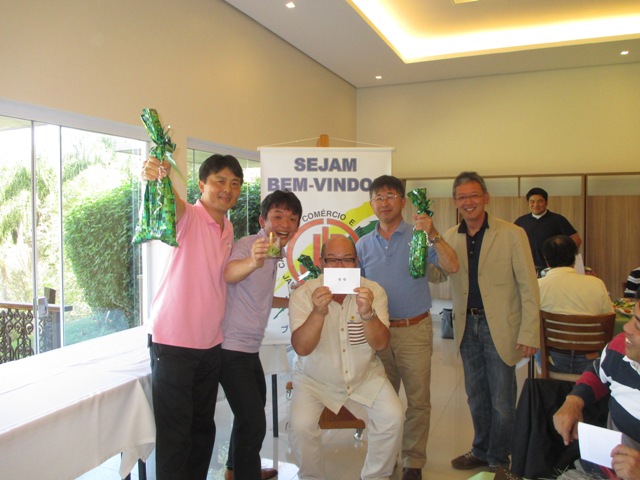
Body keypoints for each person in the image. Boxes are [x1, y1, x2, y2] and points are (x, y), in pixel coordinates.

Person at [143, 153, 243, 480]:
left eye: (235, 183)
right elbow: (173, 203)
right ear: (201, 185)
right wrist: (160, 177)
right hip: (173, 343)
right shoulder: (190, 216)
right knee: (175, 436)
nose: (227, 189)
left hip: (210, 344)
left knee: (202, 430)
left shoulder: (227, 227)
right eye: (219, 181)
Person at [355, 175, 459, 480]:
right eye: (378, 197)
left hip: (414, 329)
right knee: (380, 401)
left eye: (390, 196)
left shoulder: (419, 236)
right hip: (378, 332)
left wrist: (434, 234)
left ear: (403, 201)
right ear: (371, 204)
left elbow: (452, 267)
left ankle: (413, 461)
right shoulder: (363, 244)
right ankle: (384, 459)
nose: (384, 202)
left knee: (418, 401)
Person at [444, 171, 539, 473]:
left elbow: (529, 286)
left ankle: (499, 460)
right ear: (455, 202)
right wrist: (426, 240)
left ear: (485, 197)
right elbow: (434, 275)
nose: (468, 202)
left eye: (474, 195)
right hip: (466, 326)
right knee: (475, 395)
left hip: (501, 326)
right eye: (462, 197)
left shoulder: (512, 234)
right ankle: (480, 449)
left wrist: (530, 332)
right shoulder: (449, 237)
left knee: (501, 399)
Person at [288, 235, 404, 480]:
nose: (340, 266)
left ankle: (376, 476)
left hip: (364, 375)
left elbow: (381, 344)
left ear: (356, 262)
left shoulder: (373, 291)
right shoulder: (304, 295)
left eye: (347, 260)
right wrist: (318, 313)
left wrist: (368, 314)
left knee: (393, 417)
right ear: (322, 263)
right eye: (332, 260)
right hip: (314, 379)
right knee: (300, 426)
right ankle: (311, 477)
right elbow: (302, 348)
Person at [220, 190, 302, 480]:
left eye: (292, 219)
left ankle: (235, 470)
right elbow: (229, 273)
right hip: (230, 347)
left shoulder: (274, 252)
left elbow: (260, 296)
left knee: (251, 411)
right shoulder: (250, 245)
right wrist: (252, 261)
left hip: (249, 347)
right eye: (277, 216)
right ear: (262, 220)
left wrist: (295, 300)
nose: (285, 224)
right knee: (253, 420)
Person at [553, 294, 640, 480]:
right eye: (633, 317)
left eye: (638, 325)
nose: (627, 327)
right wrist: (574, 400)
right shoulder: (620, 348)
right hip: (595, 472)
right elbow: (599, 371)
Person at [539, 235, 614, 374]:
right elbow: (609, 318)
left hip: (552, 360)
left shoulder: (537, 286)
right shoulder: (596, 283)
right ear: (575, 258)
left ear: (546, 259)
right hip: (590, 361)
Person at [514, 187, 582, 277]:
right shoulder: (520, 221)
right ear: (528, 203)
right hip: (527, 269)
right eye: (532, 201)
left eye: (540, 201)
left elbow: (576, 239)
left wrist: (565, 258)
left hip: (553, 270)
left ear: (546, 202)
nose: (536, 205)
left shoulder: (558, 220)